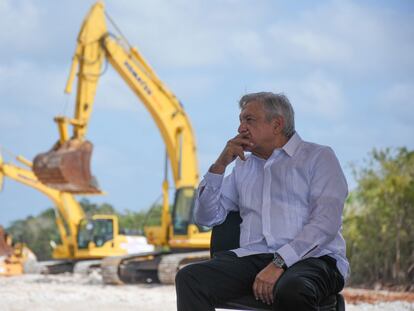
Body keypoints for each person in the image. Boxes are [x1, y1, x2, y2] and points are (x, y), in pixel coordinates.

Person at [175, 92, 349, 311]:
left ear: (277, 124)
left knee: (292, 289)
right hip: (254, 257)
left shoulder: (318, 158)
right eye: (240, 121)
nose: (240, 128)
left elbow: (325, 224)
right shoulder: (242, 167)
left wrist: (279, 262)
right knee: (190, 278)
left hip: (314, 259)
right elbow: (206, 217)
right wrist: (219, 166)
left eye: (249, 120)